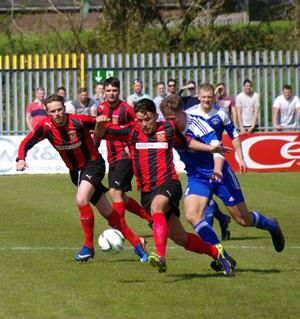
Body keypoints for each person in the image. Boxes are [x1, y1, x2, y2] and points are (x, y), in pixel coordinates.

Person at [96, 98, 232, 276]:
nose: (144, 124)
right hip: (147, 191)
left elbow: (188, 142)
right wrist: (99, 124)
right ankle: (217, 254)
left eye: (148, 119)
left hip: (169, 183)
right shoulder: (131, 131)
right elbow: (103, 132)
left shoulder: (168, 128)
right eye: (140, 120)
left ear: (155, 116)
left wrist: (210, 149)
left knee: (157, 206)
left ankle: (161, 257)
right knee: (180, 238)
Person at [160, 92, 285, 273]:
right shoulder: (170, 129)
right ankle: (221, 255)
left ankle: (271, 225)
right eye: (167, 119)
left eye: (173, 118)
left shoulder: (198, 124)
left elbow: (217, 149)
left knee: (243, 219)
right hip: (197, 177)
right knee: (192, 215)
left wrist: (217, 169)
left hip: (220, 174)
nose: (171, 123)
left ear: (182, 112)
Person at [16, 94, 148, 263]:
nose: (57, 114)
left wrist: (106, 124)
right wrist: (21, 158)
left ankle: (88, 247)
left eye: (59, 109)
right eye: (53, 111)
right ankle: (138, 245)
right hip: (76, 173)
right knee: (109, 214)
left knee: (81, 199)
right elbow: (26, 142)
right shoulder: (45, 127)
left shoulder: (79, 121)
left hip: (93, 165)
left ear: (65, 108)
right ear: (47, 112)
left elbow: (105, 129)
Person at [187, 83, 247, 240]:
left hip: (217, 163)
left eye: (209, 97)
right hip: (198, 167)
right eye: (204, 97)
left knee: (241, 217)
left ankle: (223, 221)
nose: (207, 100)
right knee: (201, 206)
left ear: (214, 97)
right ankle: (213, 247)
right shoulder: (189, 114)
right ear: (198, 97)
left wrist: (240, 158)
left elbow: (233, 135)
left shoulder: (221, 113)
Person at [96, 77, 153, 227]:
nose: (111, 93)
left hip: (125, 155)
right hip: (112, 156)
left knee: (115, 192)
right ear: (104, 92)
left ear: (119, 91)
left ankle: (118, 228)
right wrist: (93, 152)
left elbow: (138, 127)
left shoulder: (127, 109)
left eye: (114, 90)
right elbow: (98, 132)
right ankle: (150, 218)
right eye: (108, 90)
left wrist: (133, 145)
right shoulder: (101, 108)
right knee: (122, 197)